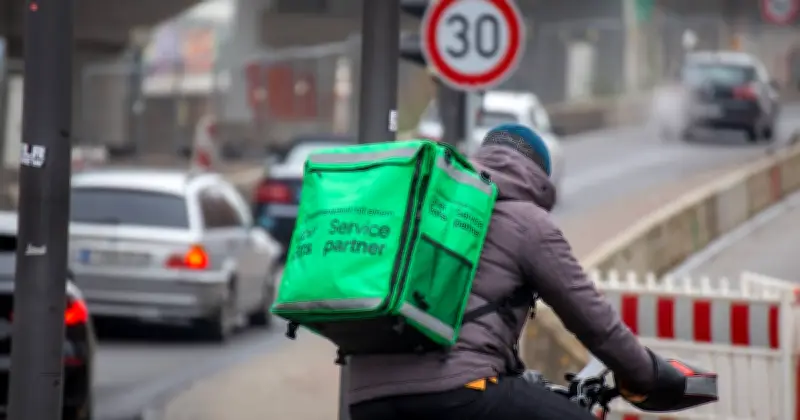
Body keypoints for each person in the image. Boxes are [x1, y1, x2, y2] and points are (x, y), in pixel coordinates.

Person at [346, 123, 682, 419]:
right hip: (459, 389)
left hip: (367, 398)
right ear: (538, 177)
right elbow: (594, 322)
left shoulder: (431, 209)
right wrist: (645, 375)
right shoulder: (527, 222)